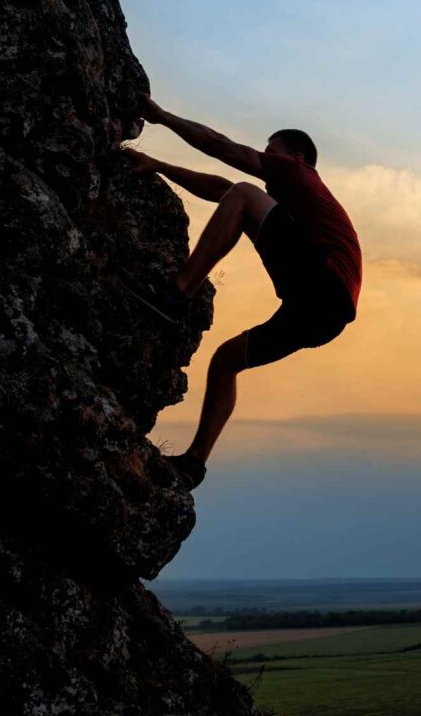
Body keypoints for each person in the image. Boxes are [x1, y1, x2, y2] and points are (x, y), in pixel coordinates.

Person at [118, 94, 362, 489]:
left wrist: (161, 117)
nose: (267, 156)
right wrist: (161, 166)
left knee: (245, 192)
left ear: (296, 156)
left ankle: (177, 294)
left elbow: (222, 150)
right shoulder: (294, 207)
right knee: (226, 360)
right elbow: (223, 189)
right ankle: (195, 463)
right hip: (323, 315)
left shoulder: (298, 175)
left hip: (323, 284)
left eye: (272, 150)